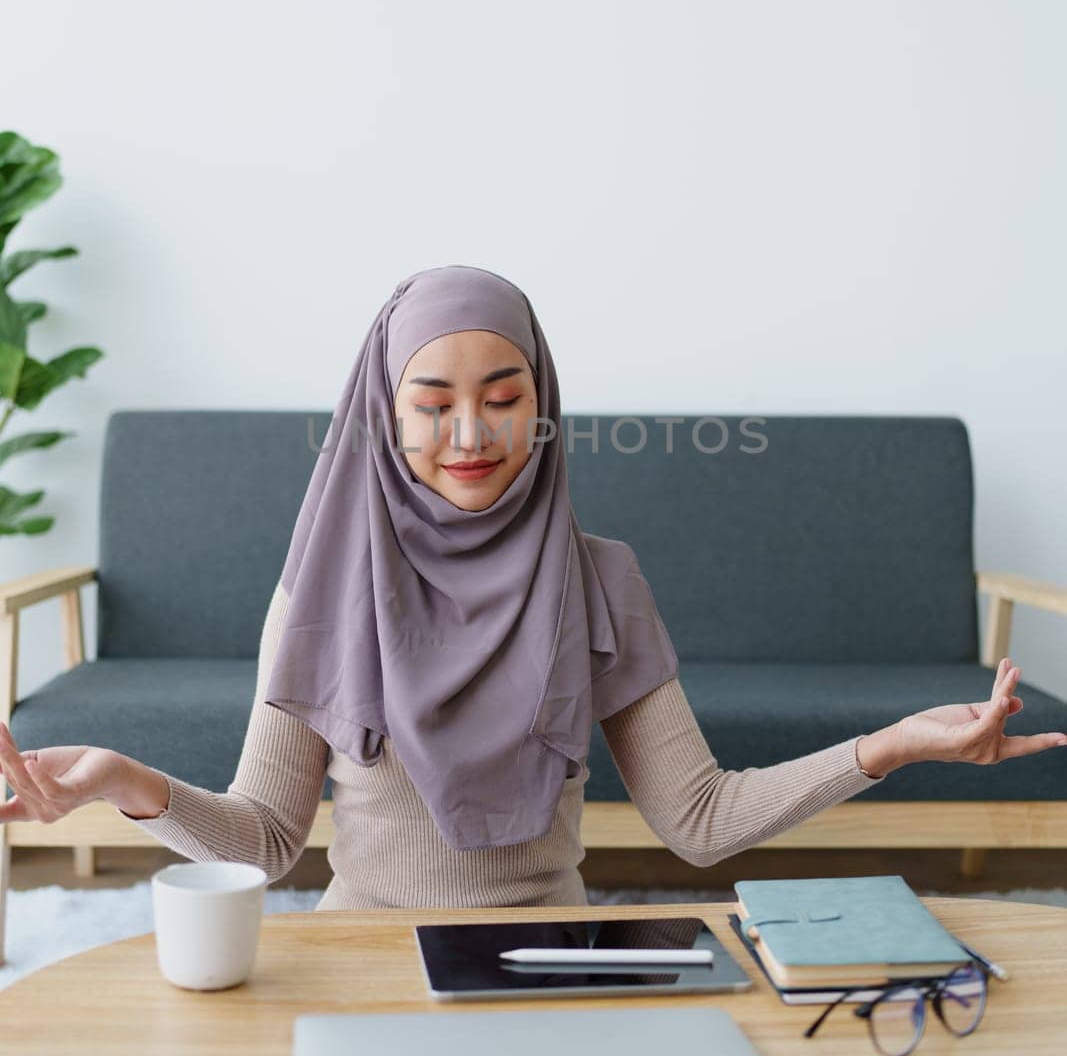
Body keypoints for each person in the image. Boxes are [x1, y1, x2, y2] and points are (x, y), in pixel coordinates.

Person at [0, 265, 1063, 911]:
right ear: (384, 415)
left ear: (541, 407)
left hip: (551, 944)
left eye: (503, 397)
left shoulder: (600, 579)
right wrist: (116, 778)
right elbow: (269, 841)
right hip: (364, 950)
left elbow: (696, 818)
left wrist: (890, 745)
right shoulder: (321, 595)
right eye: (431, 402)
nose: (469, 434)